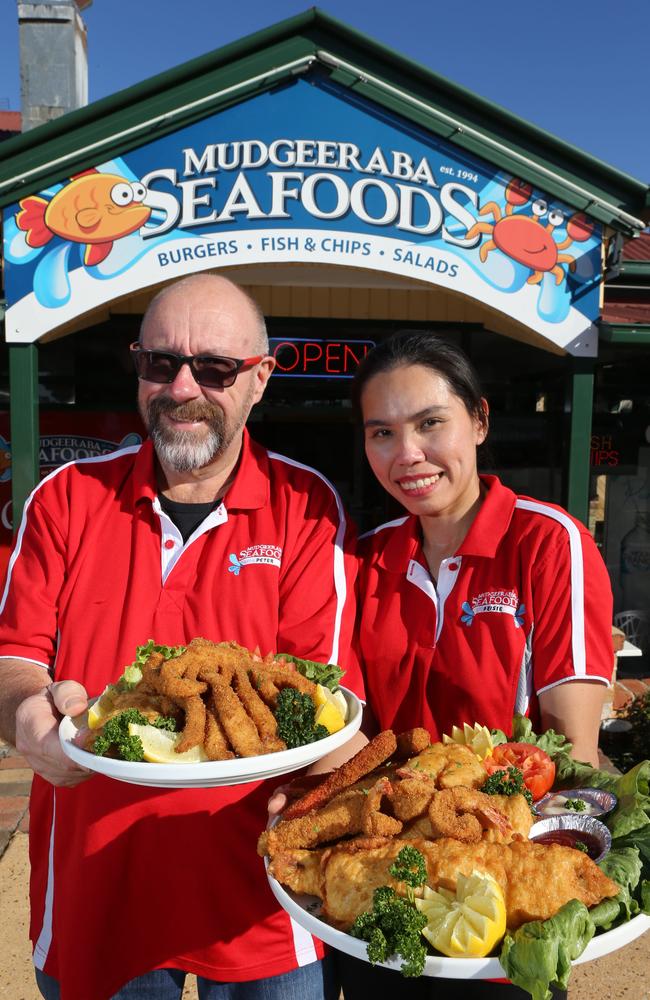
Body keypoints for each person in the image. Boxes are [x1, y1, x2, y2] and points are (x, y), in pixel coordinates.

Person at [0, 274, 362, 1000]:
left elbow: (315, 701)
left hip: (261, 899)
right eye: (160, 363)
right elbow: (15, 656)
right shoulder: (67, 498)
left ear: (259, 380)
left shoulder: (306, 506)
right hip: (96, 886)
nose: (182, 387)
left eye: (215, 369)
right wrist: (27, 718)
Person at [336, 329, 614, 999]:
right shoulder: (364, 560)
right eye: (382, 433)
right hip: (388, 887)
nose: (408, 455)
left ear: (480, 420)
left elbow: (572, 752)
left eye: (431, 424)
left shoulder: (549, 543)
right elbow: (349, 737)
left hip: (502, 900)